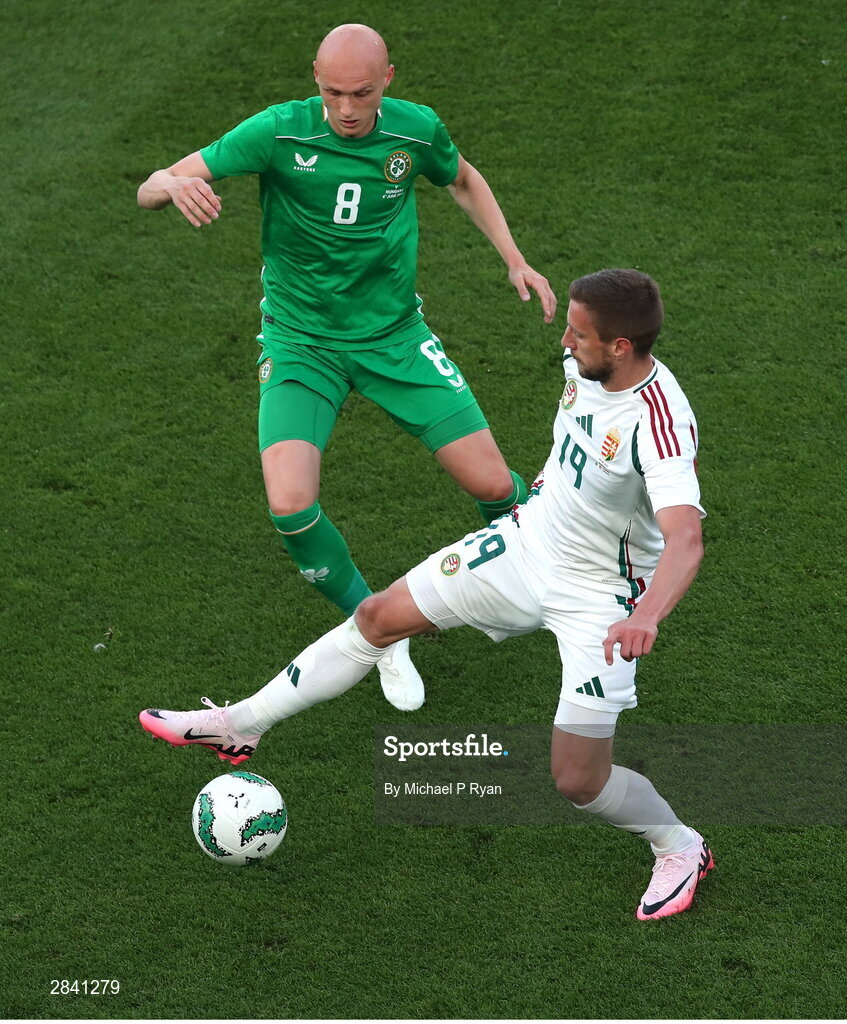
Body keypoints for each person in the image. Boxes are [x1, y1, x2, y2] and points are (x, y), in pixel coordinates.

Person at [140, 268, 714, 921]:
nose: (565, 339)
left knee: (577, 779)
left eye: (579, 333)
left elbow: (685, 541)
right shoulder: (583, 365)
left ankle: (678, 844)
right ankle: (239, 727)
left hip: (601, 599)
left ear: (619, 346)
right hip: (526, 547)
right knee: (378, 617)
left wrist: (644, 615)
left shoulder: (659, 425)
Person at [136, 23, 556, 712]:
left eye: (361, 93)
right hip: (301, 344)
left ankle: (552, 569)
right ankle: (381, 633)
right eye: (332, 93)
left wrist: (513, 257)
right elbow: (157, 185)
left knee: (494, 486)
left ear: (387, 78)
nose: (347, 109)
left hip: (394, 338)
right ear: (315, 81)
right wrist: (165, 184)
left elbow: (464, 180)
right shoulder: (277, 132)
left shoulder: (415, 132)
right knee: (290, 503)